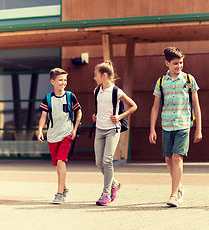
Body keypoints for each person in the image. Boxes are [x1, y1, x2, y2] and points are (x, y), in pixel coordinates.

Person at [149, 47, 202, 207]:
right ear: (167, 63)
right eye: (175, 63)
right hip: (166, 125)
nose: (179, 66)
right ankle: (179, 186)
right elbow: (155, 107)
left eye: (181, 62)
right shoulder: (161, 82)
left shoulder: (188, 79)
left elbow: (196, 105)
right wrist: (152, 128)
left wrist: (198, 128)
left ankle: (173, 195)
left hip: (183, 124)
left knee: (177, 157)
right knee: (168, 158)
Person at [92, 61, 137, 206]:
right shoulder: (97, 91)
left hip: (113, 129)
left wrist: (119, 117)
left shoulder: (117, 91)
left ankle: (106, 193)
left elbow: (133, 106)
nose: (95, 78)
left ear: (104, 75)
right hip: (99, 129)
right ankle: (114, 183)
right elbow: (101, 109)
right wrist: (96, 115)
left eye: (96, 75)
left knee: (107, 160)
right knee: (99, 162)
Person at [37, 68, 82, 204]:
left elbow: (79, 112)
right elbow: (43, 116)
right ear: (52, 81)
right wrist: (40, 130)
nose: (63, 82)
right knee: (58, 164)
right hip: (52, 136)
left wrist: (74, 129)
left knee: (61, 162)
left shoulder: (70, 96)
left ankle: (59, 194)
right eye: (60, 80)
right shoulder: (48, 98)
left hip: (66, 135)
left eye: (65, 80)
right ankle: (66, 189)